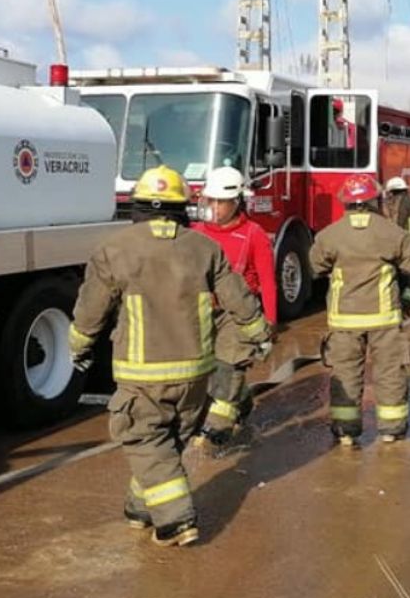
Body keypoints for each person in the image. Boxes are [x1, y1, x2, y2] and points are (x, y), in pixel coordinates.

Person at [69, 165, 272, 547]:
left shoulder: (113, 250)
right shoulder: (205, 248)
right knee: (168, 441)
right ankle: (140, 508)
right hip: (195, 374)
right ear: (183, 208)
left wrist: (78, 346)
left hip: (142, 374)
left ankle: (176, 520)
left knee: (145, 439)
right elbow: (239, 301)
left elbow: (90, 311)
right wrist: (259, 335)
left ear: (138, 206)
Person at [309, 174, 410, 447]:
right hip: (384, 319)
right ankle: (391, 430)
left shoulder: (329, 235)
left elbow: (315, 266)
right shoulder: (392, 232)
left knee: (346, 375)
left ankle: (346, 432)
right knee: (389, 373)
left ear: (346, 202)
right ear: (375, 200)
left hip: (344, 321)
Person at [190, 166, 278, 450]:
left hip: (237, 313)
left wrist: (270, 322)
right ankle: (242, 402)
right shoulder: (195, 233)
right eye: (210, 200)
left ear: (237, 201)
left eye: (220, 201)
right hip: (203, 311)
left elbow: (267, 280)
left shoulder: (254, 234)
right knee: (204, 371)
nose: (214, 207)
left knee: (228, 365)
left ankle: (218, 431)